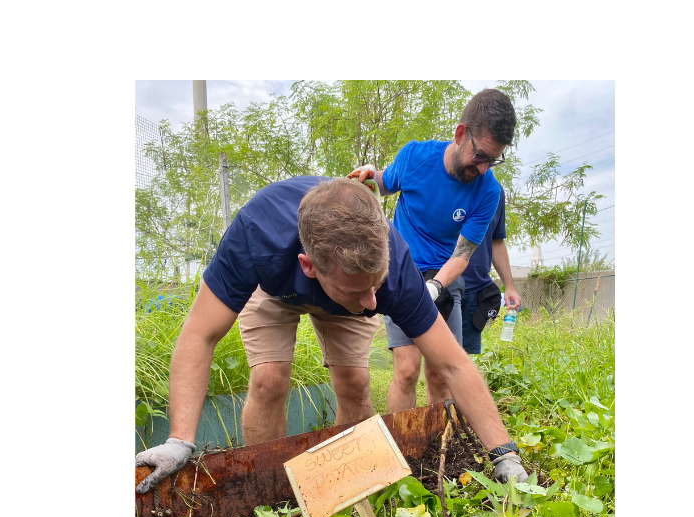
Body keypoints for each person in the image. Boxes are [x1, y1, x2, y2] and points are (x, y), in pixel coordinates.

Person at [133, 175, 529, 494]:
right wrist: (180, 440)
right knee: (269, 379)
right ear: (309, 266)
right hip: (274, 288)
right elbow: (199, 335)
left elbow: (454, 364)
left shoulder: (390, 270)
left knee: (355, 382)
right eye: (361, 290)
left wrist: (504, 453)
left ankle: (351, 486)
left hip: (345, 290)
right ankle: (269, 495)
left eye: (378, 286)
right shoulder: (256, 234)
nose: (375, 302)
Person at [347, 88, 516, 412]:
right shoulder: (415, 157)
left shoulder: (488, 190)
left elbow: (463, 254)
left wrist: (435, 286)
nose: (483, 168)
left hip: (445, 280)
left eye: (492, 160)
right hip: (401, 272)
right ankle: (405, 449)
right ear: (460, 134)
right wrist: (368, 177)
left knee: (440, 374)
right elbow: (382, 184)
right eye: (480, 156)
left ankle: (434, 451)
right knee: (407, 368)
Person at [458, 190, 522, 356]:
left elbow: (497, 241)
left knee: (463, 359)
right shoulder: (444, 181)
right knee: (436, 362)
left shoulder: (495, 191)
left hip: (474, 290)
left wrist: (509, 286)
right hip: (441, 286)